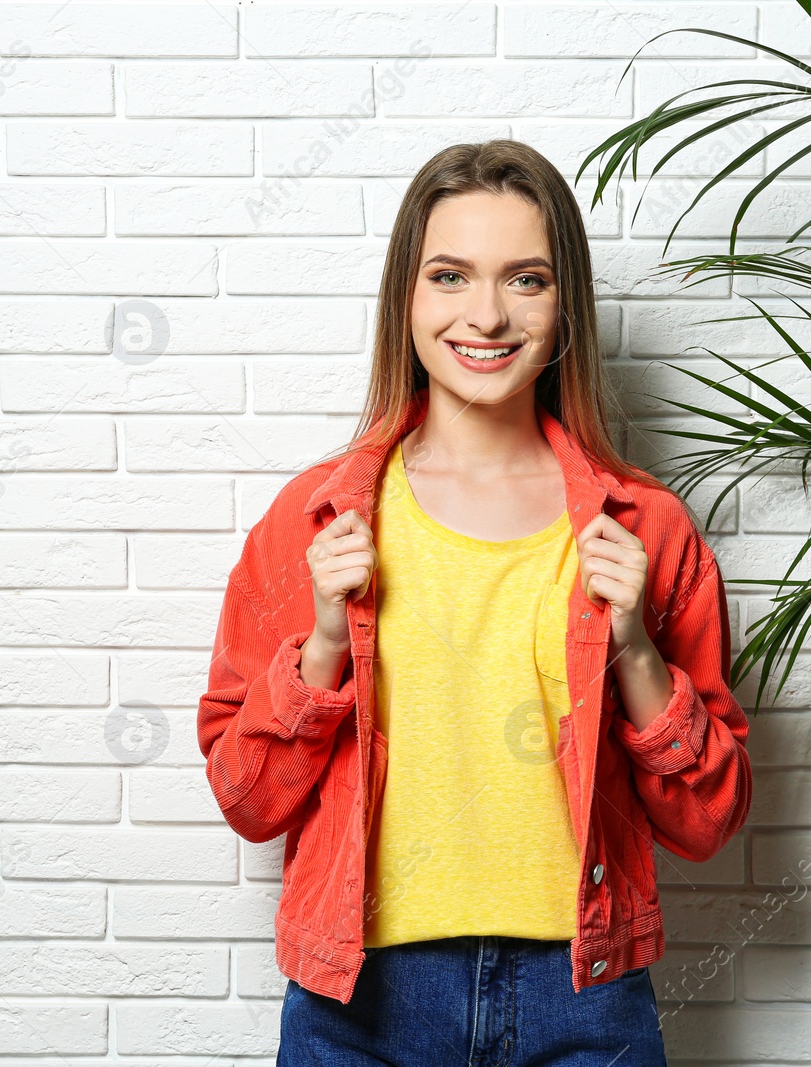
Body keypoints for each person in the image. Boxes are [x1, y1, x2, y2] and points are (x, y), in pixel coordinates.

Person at [197, 139, 752, 1066]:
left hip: (584, 996)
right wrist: (325, 646)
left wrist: (639, 656)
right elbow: (247, 798)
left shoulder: (645, 529)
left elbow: (706, 822)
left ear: (564, 299)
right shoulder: (315, 520)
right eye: (450, 275)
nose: (486, 314)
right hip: (361, 1000)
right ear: (405, 299)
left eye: (525, 279)